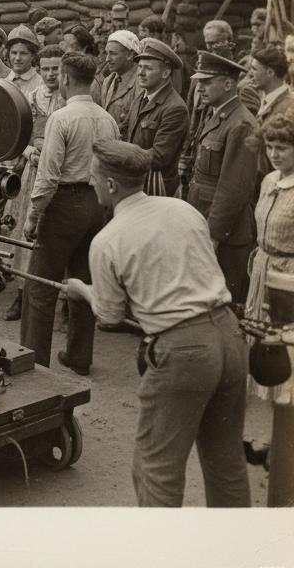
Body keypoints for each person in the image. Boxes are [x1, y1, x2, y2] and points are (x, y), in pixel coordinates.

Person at [66, 139, 250, 508]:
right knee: (226, 463)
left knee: (156, 471)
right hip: (231, 335)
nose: (91, 182)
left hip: (183, 351)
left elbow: (110, 316)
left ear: (111, 185)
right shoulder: (183, 210)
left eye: (94, 177)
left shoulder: (107, 240)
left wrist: (82, 290)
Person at [21, 52, 119, 374]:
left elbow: (48, 176)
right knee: (82, 280)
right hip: (96, 204)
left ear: (65, 78)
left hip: (63, 204)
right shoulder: (107, 119)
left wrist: (33, 216)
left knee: (40, 285)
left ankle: (32, 361)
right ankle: (79, 357)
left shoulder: (61, 118)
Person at [185, 50, 260, 303]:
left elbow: (234, 188)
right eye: (199, 81)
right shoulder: (218, 115)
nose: (200, 88)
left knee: (224, 304)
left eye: (207, 82)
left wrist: (213, 234)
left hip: (226, 234)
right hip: (206, 223)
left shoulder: (241, 124)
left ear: (228, 84)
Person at [4, 44, 65, 322]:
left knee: (53, 235)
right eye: (47, 69)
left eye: (56, 69)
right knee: (24, 234)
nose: (51, 74)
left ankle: (59, 300)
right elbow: (19, 135)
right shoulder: (31, 97)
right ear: (40, 69)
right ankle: (22, 293)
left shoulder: (70, 100)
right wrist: (29, 152)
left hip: (58, 175)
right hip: (32, 173)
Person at [246, 109, 294, 405]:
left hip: (289, 276)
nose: (274, 154)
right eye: (270, 147)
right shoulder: (269, 180)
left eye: (283, 148)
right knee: (263, 338)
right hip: (263, 266)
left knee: (285, 343)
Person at [125, 38, 190, 196]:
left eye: (148, 68)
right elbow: (125, 131)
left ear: (165, 73)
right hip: (135, 183)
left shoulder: (175, 108)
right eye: (140, 67)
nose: (140, 73)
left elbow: (159, 157)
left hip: (156, 188)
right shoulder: (141, 98)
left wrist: (119, 155)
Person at [99, 29, 141, 132]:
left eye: (113, 53)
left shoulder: (141, 82)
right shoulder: (108, 81)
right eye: (107, 53)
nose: (107, 59)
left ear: (129, 55)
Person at [5, 25, 41, 98]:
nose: (18, 58)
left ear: (33, 55)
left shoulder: (41, 83)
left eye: (23, 53)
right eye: (14, 53)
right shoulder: (3, 82)